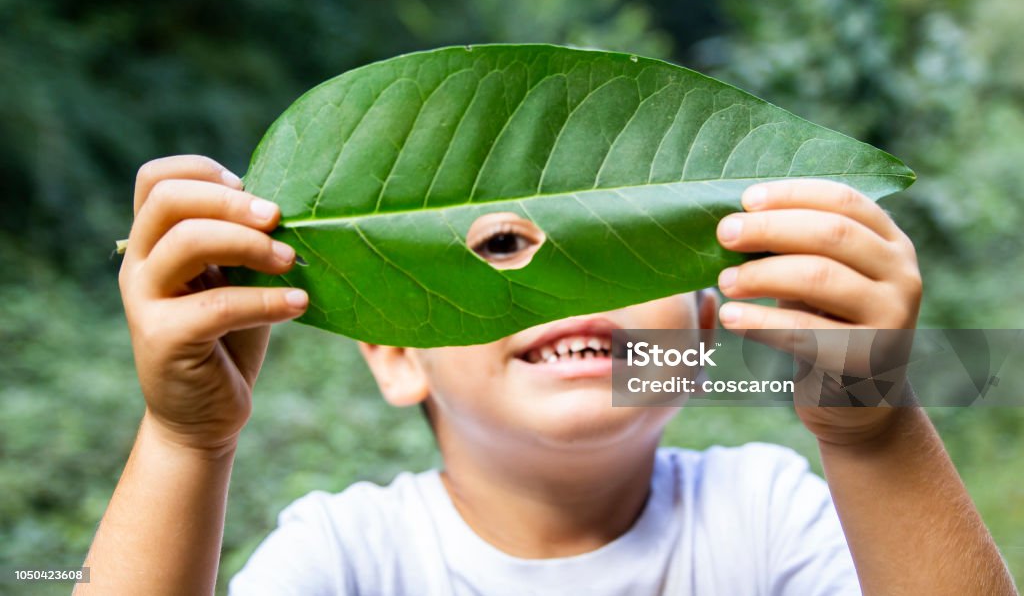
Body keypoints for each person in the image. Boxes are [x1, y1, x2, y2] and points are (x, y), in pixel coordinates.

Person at [78, 155, 1016, 595]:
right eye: (494, 250)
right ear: (396, 353)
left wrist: (871, 419)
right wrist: (186, 438)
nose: (561, 286)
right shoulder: (346, 556)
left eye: (621, 256)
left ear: (699, 333)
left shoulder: (767, 515)